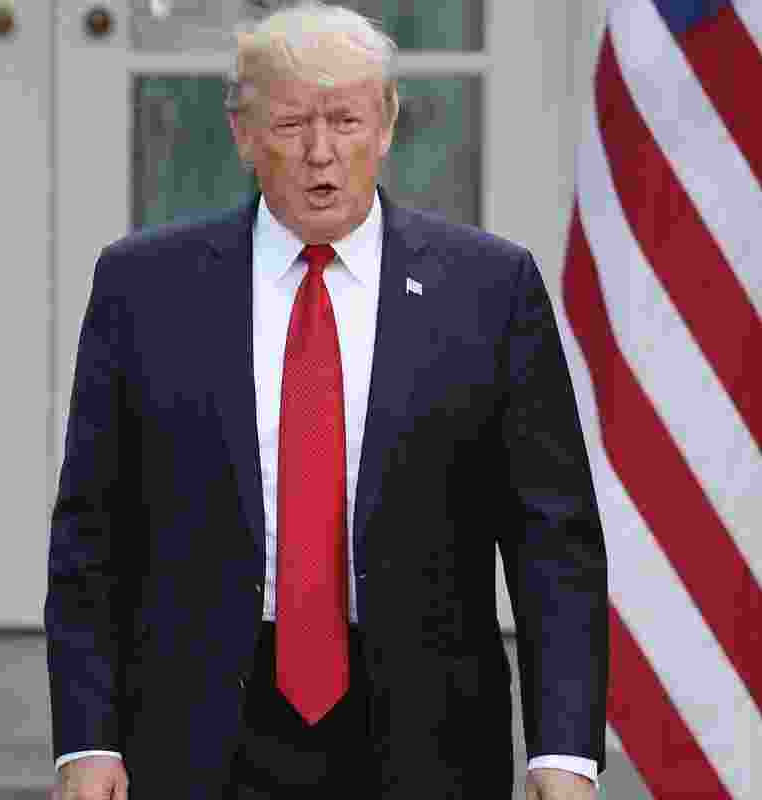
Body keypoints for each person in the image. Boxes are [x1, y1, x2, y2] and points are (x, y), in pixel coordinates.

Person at [46, 3, 608, 798]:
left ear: (386, 126)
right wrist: (86, 739)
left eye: (345, 120)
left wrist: (563, 752)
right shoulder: (144, 286)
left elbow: (552, 540)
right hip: (200, 731)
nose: (321, 154)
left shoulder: (489, 288)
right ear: (242, 134)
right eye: (289, 124)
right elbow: (91, 534)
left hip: (427, 736)